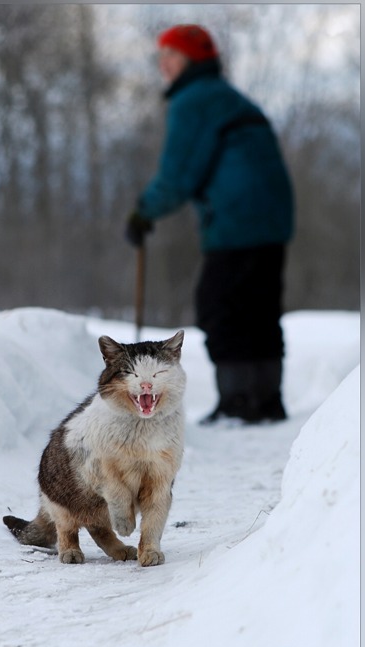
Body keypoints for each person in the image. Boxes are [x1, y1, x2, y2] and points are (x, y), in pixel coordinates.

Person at [125, 24, 294, 425]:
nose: (163, 65)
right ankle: (266, 401)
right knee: (259, 309)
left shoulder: (194, 100)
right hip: (271, 220)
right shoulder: (226, 98)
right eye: (161, 56)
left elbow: (179, 175)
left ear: (192, 62)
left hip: (237, 221)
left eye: (171, 56)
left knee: (221, 307)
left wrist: (144, 211)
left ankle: (238, 403)